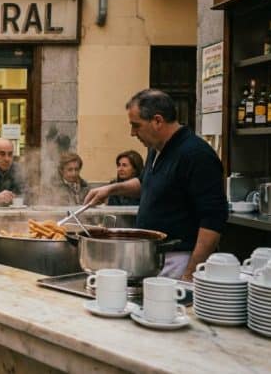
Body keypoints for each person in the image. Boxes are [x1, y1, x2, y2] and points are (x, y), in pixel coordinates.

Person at [84, 89, 228, 281]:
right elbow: (146, 184)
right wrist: (111, 189)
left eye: (136, 126)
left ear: (157, 121)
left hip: (180, 260)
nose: (132, 133)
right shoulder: (156, 148)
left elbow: (213, 220)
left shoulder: (196, 155)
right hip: (153, 257)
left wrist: (190, 274)